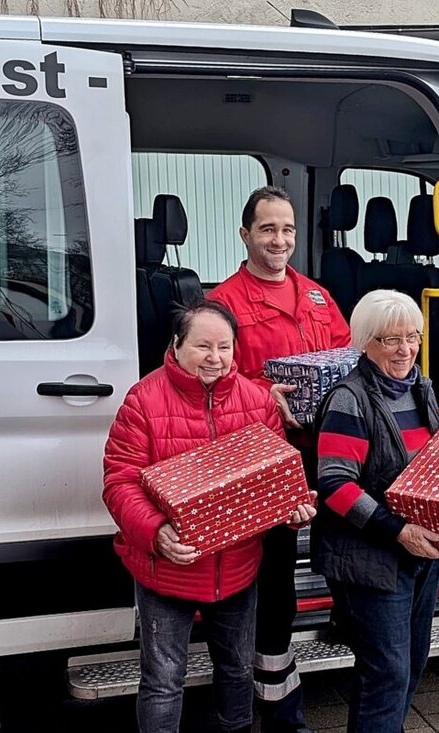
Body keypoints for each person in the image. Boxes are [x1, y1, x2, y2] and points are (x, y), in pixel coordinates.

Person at [102, 299, 316, 733]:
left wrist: (292, 510)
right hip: (167, 569)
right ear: (176, 344)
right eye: (203, 346)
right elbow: (119, 482)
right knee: (163, 680)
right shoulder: (143, 400)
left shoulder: (258, 402)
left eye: (225, 347)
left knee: (237, 669)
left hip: (237, 567)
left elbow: (272, 478)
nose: (215, 358)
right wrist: (156, 531)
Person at [208, 185, 350, 733]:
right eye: (267, 229)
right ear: (245, 235)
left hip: (327, 450)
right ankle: (279, 710)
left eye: (287, 229)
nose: (279, 240)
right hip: (266, 460)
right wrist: (265, 396)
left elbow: (345, 357)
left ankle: (348, 619)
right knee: (276, 585)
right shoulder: (223, 303)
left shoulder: (316, 296)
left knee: (347, 544)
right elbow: (212, 379)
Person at [311, 289, 439, 733]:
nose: (405, 350)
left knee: (411, 664)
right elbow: (334, 485)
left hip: (420, 556)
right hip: (373, 557)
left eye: (412, 337)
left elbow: (437, 465)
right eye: (390, 340)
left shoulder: (420, 388)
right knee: (386, 673)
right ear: (365, 342)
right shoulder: (350, 399)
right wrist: (397, 530)